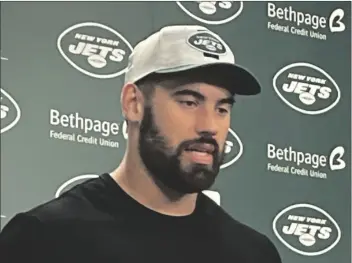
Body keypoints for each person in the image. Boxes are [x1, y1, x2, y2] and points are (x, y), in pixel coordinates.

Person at [0, 25, 282, 263]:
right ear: (133, 103)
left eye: (222, 108)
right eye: (189, 102)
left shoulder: (253, 253)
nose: (209, 125)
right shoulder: (43, 239)